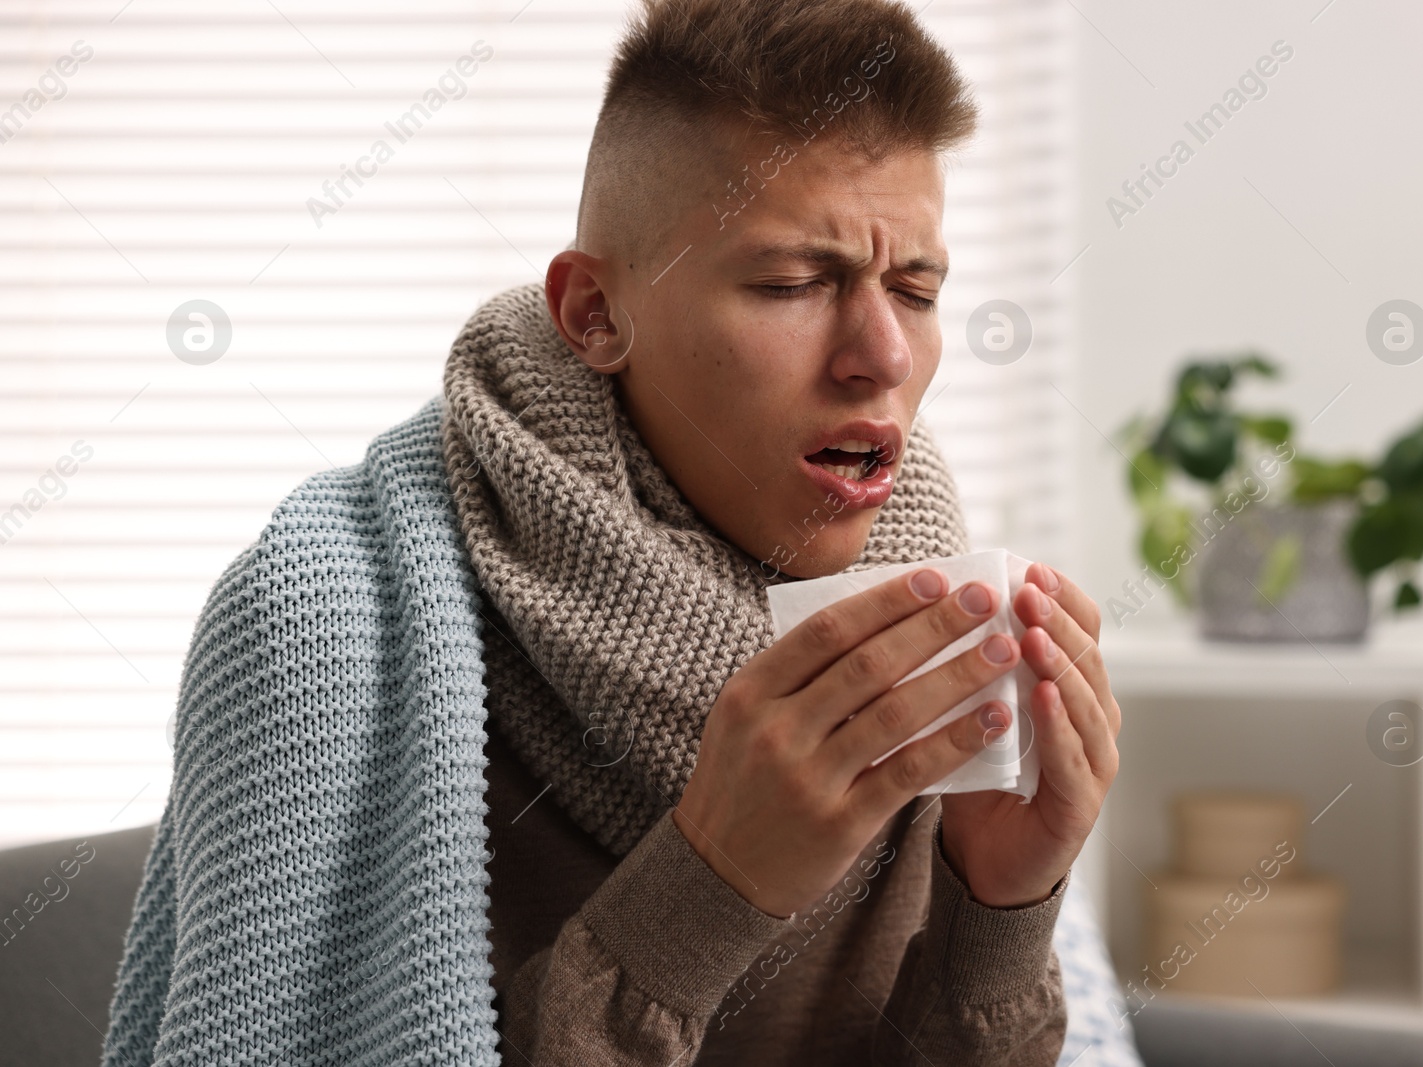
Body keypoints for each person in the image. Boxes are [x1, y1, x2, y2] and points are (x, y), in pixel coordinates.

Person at [102, 1, 1122, 1064]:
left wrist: (1000, 909)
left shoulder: (933, 616)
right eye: (792, 283)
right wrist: (708, 886)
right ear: (593, 313)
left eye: (915, 289)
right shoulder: (317, 620)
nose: (884, 355)